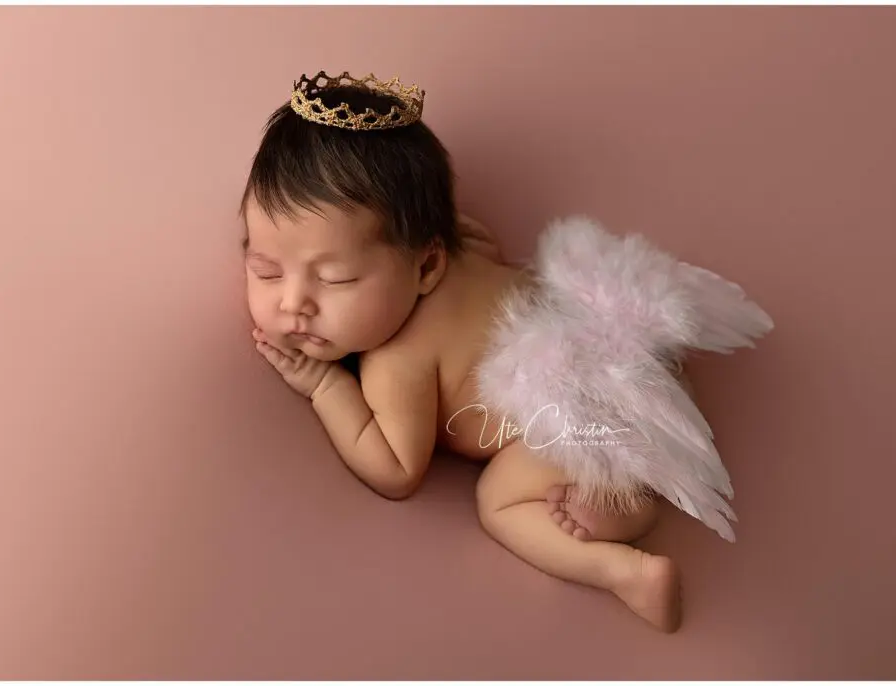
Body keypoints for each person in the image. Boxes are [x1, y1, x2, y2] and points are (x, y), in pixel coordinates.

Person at [241, 71, 693, 632]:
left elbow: (397, 470)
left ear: (427, 266)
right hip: (623, 366)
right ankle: (629, 497)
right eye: (264, 268)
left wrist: (327, 386)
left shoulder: (396, 360)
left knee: (498, 501)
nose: (293, 303)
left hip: (572, 426)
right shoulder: (470, 247)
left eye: (334, 280)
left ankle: (625, 570)